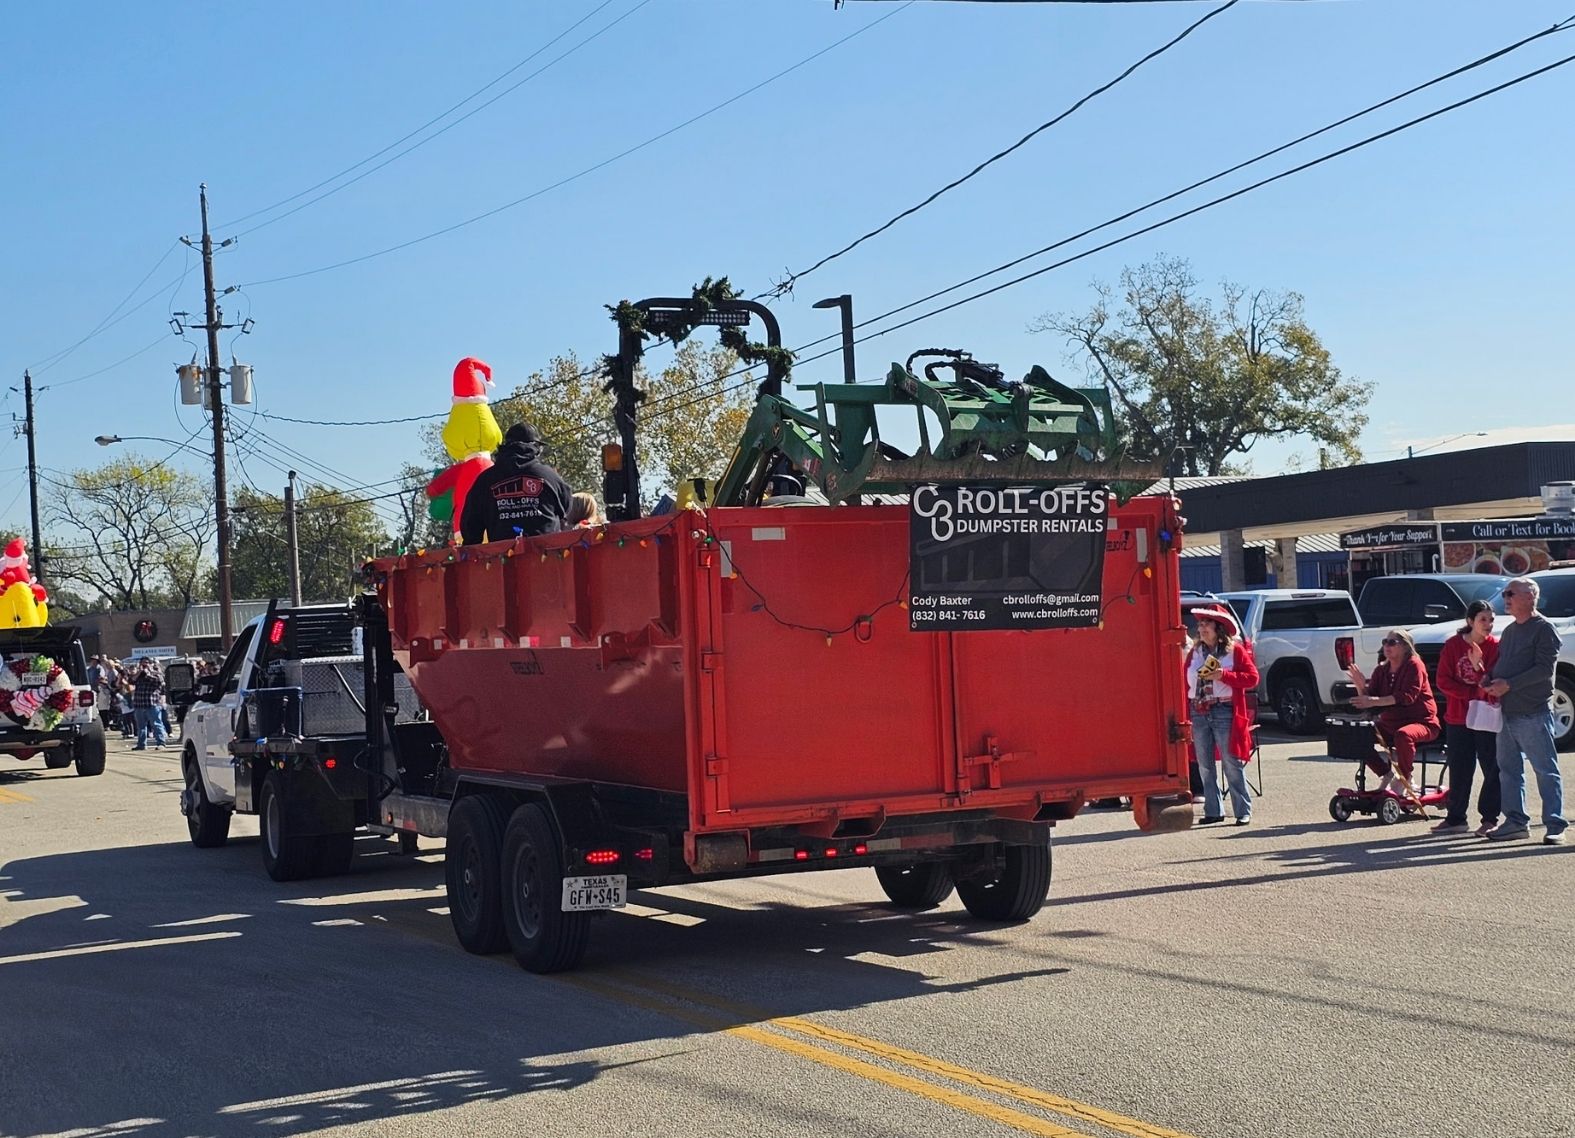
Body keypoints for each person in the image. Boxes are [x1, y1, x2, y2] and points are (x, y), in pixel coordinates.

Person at [1480, 577, 1566, 844]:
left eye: (1510, 593)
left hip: (1533, 712)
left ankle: (1555, 825)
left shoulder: (1544, 629)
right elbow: (1504, 663)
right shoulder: (1510, 631)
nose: (1505, 597)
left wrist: (1509, 684)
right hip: (1506, 712)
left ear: (1530, 597)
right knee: (1508, 770)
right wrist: (1490, 677)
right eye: (1505, 593)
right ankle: (1516, 822)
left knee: (1545, 770)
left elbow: (1544, 671)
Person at [1432, 600, 1502, 835]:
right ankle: (1456, 818)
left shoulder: (1495, 647)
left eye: (1491, 619)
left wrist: (1478, 666)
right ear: (1470, 621)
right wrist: (1470, 693)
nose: (1488, 624)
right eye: (1483, 619)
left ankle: (1490, 818)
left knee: (1491, 766)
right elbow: (1443, 680)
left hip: (1486, 717)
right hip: (1458, 716)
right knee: (1460, 768)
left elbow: (1490, 683)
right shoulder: (1452, 645)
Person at [1184, 605, 1259, 825]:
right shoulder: (1194, 652)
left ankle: (1242, 810)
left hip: (1224, 710)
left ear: (1219, 628)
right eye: (1200, 624)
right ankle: (1213, 810)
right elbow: (1184, 681)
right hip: (1198, 711)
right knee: (1204, 765)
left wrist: (1224, 675)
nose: (1201, 627)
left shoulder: (1234, 651)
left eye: (1207, 623)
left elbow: (1252, 678)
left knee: (1231, 762)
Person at [1347, 628, 1440, 797]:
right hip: (1391, 724)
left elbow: (1407, 697)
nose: (1386, 646)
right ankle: (1385, 773)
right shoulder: (1381, 670)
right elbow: (1370, 703)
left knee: (1403, 735)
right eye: (1385, 642)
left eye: (1392, 642)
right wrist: (1361, 687)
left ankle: (1404, 778)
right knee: (1359, 734)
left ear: (1405, 646)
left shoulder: (1414, 665)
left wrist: (1373, 700)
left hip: (1423, 723)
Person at [459, 421, 572, 544]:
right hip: (548, 558)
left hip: (502, 559)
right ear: (536, 448)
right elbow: (566, 510)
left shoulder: (485, 480)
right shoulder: (549, 476)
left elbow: (470, 526)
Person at [130, 659, 168, 751]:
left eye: (146, 663)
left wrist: (147, 672)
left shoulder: (156, 673)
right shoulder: (138, 675)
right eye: (142, 663)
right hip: (139, 704)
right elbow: (131, 681)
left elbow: (159, 681)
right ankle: (141, 744)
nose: (144, 665)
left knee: (156, 724)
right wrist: (139, 672)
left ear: (151, 664)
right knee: (141, 726)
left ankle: (161, 743)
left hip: (152, 704)